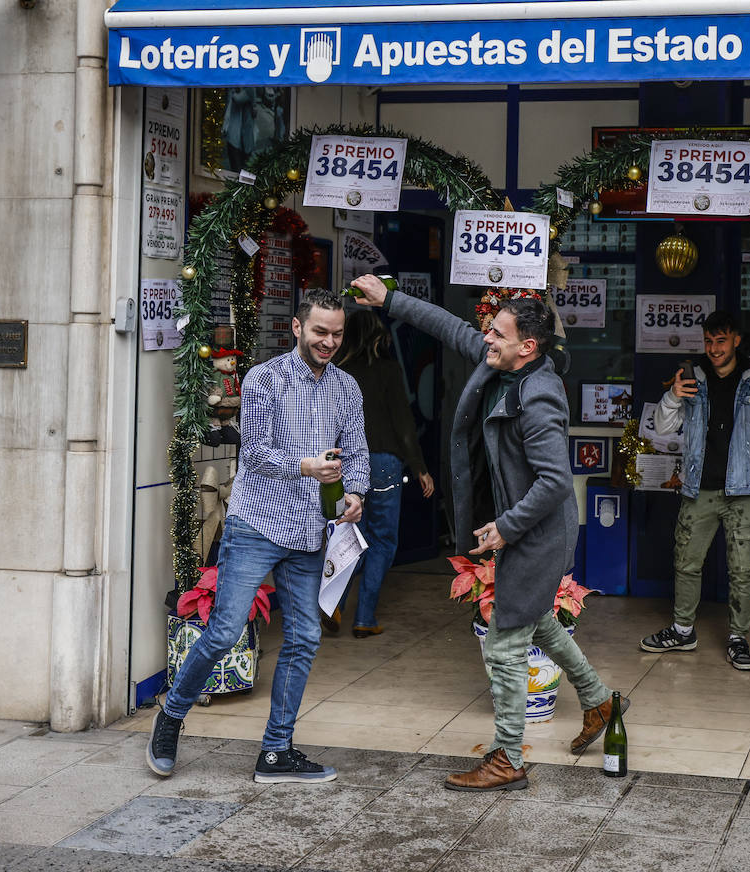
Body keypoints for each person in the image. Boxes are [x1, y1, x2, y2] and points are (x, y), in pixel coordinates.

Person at [349, 274, 623, 792]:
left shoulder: (538, 396)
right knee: (538, 621)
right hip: (519, 527)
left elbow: (554, 482)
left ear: (528, 346)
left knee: (503, 644)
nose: (486, 339)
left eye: (497, 334)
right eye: (490, 331)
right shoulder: (503, 360)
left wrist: (506, 527)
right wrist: (391, 300)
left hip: (534, 533)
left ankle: (506, 759)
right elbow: (452, 329)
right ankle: (601, 700)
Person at [147, 290, 369, 784]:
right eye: (320, 332)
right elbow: (256, 457)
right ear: (296, 327)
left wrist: (354, 492)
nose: (329, 342)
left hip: (312, 530)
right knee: (224, 631)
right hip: (257, 524)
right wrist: (306, 467)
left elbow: (356, 451)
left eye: (336, 334)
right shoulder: (265, 379)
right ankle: (172, 716)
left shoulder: (348, 388)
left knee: (305, 638)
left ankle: (276, 752)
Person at [639, 310, 750, 671]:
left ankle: (738, 638)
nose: (714, 349)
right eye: (709, 342)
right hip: (699, 489)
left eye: (721, 341)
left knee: (742, 570)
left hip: (745, 492)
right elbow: (662, 428)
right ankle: (682, 631)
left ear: (736, 341)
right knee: (686, 563)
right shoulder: (693, 380)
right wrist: (674, 396)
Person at [326, 310, 436, 638]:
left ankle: (333, 605)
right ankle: (365, 617)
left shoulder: (337, 371)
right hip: (385, 463)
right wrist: (420, 468)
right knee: (382, 540)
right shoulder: (387, 370)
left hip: (345, 463)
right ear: (377, 336)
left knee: (348, 538)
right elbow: (403, 424)